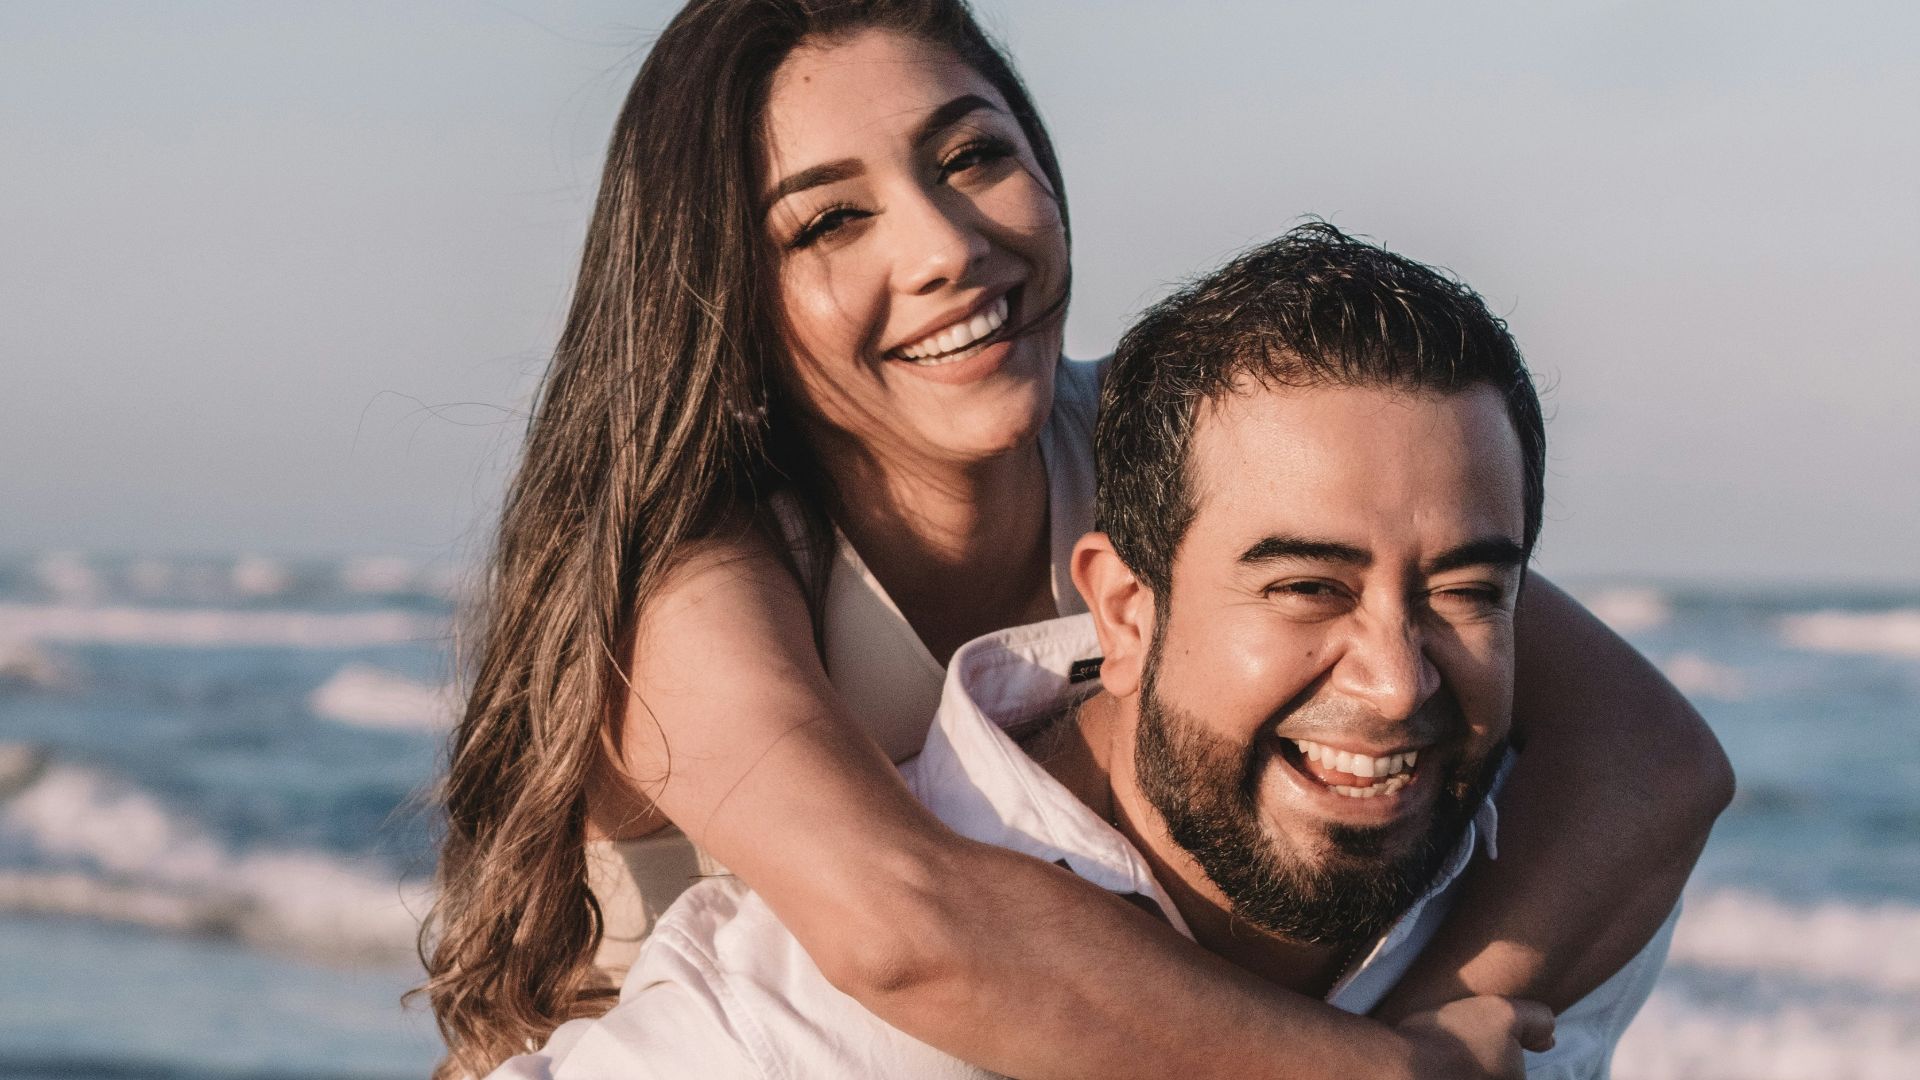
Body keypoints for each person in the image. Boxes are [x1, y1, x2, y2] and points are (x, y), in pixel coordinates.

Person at [423, 2, 1731, 1078]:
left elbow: (1649, 757)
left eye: (972, 157)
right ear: (726, 291)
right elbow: (902, 928)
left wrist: (1457, 1014)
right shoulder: (701, 571)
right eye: (830, 219)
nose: (946, 244)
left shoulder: (1147, 449)